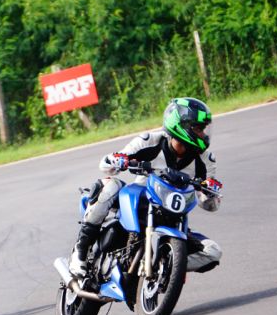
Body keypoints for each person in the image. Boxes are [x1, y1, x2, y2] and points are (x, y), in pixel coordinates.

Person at [69, 97, 223, 277]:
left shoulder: (205, 159)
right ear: (182, 126)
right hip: (140, 200)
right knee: (110, 185)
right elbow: (105, 165)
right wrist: (120, 160)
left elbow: (210, 205)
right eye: (198, 128)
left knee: (213, 251)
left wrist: (209, 193)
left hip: (171, 216)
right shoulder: (150, 141)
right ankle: (79, 252)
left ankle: (167, 266)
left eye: (204, 129)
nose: (203, 134)